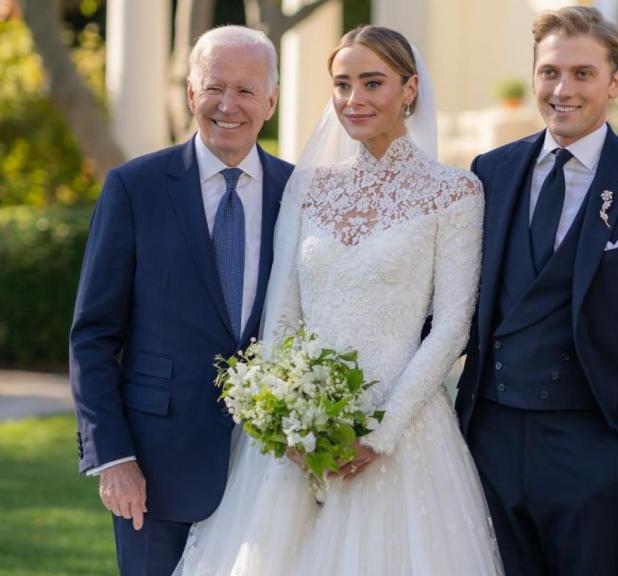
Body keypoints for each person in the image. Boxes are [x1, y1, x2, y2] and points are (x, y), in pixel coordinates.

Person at [172, 26, 503, 576]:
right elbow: (281, 313)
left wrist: (381, 431)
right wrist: (285, 426)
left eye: (372, 83)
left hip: (402, 434)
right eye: (342, 83)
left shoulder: (455, 192)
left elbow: (451, 327)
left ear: (410, 88)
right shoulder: (308, 187)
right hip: (295, 441)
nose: (354, 99)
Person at [454, 6, 618, 575]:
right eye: (549, 72)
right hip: (488, 440)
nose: (562, 89)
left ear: (614, 83)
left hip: (594, 445)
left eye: (583, 74)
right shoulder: (489, 172)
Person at [69, 26, 293, 576]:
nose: (227, 105)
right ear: (191, 95)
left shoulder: (302, 193)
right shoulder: (134, 188)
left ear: (271, 99)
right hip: (155, 467)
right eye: (214, 87)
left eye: (245, 90)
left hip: (273, 472)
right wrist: (113, 459)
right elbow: (93, 336)